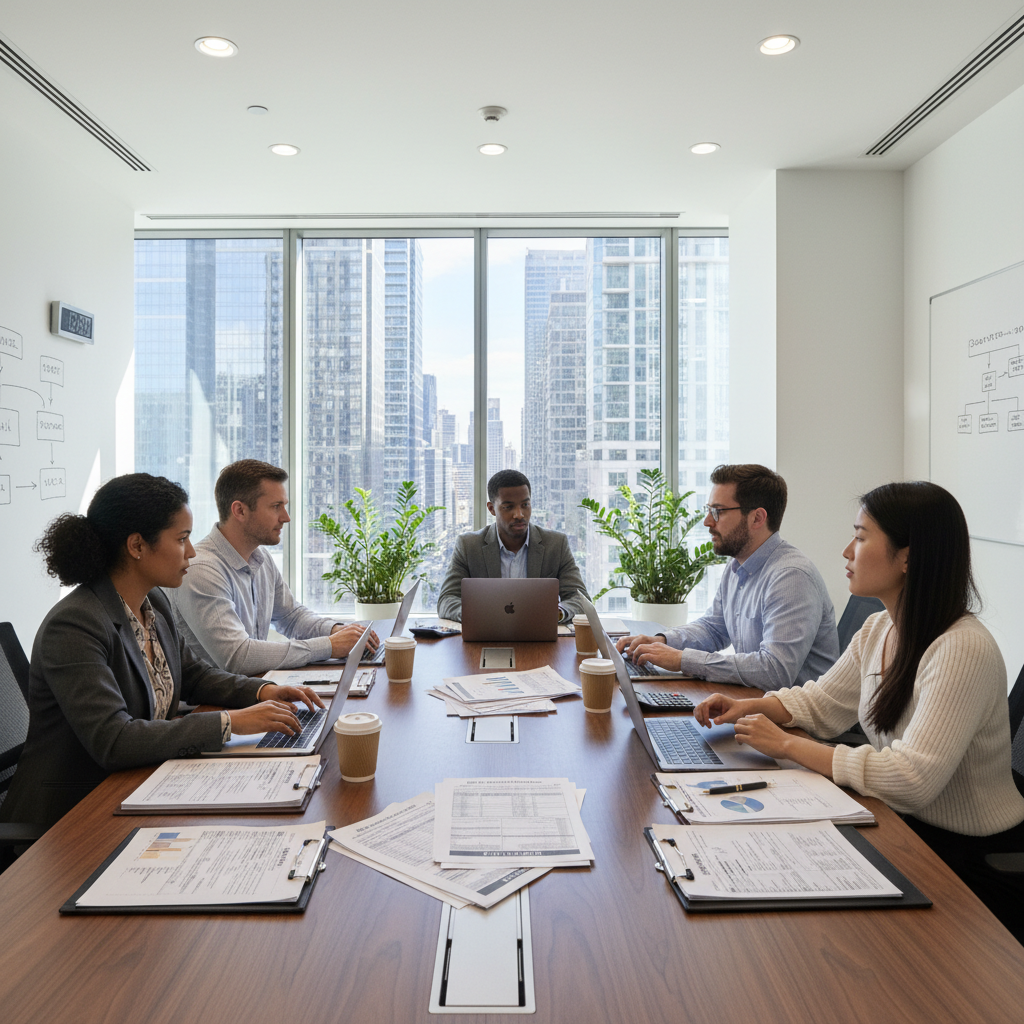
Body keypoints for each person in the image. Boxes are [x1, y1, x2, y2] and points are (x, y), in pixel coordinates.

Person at [694, 481, 1024, 934]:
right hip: (904, 825)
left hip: (969, 857)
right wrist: (753, 706)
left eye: (862, 536)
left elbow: (910, 780)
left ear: (908, 556)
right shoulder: (878, 628)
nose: (847, 551)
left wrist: (789, 746)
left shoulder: (961, 648)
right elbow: (823, 703)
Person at [0, 473, 325, 830]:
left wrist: (263, 691)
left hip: (143, 784)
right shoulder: (75, 625)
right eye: (182, 539)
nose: (192, 552)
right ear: (137, 546)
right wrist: (230, 723)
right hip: (74, 817)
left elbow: (195, 675)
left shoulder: (153, 600)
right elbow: (115, 739)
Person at [618, 463, 838, 689]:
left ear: (757, 518)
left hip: (796, 722)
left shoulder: (791, 577)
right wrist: (662, 641)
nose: (707, 522)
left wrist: (682, 660)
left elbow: (774, 671)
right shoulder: (737, 564)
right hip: (758, 706)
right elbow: (714, 628)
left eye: (718, 511)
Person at [170, 460, 377, 674]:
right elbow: (239, 658)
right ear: (239, 511)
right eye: (276, 507)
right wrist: (330, 645)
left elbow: (291, 617)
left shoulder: (261, 558)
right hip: (209, 705)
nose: (285, 518)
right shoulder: (201, 570)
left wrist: (337, 631)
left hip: (253, 692)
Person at [436, 470, 590, 622]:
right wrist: (477, 614)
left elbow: (581, 600)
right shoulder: (469, 546)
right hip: (488, 636)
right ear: (491, 509)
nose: (519, 514)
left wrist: (558, 613)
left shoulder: (556, 544)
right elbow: (447, 599)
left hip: (539, 638)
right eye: (508, 507)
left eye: (525, 505)